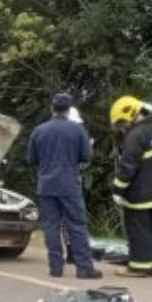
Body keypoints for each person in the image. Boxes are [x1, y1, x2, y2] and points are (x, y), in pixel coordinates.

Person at [26, 93, 103, 280]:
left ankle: (56, 268)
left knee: (51, 226)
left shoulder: (39, 130)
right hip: (69, 185)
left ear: (51, 108)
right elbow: (87, 156)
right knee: (76, 225)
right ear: (69, 110)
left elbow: (31, 159)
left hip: (46, 186)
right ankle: (84, 268)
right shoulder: (77, 131)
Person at [109, 96, 152, 277]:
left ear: (131, 114)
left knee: (138, 230)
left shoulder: (135, 136)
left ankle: (139, 267)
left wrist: (117, 190)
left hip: (141, 193)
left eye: (121, 122)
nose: (121, 127)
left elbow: (127, 167)